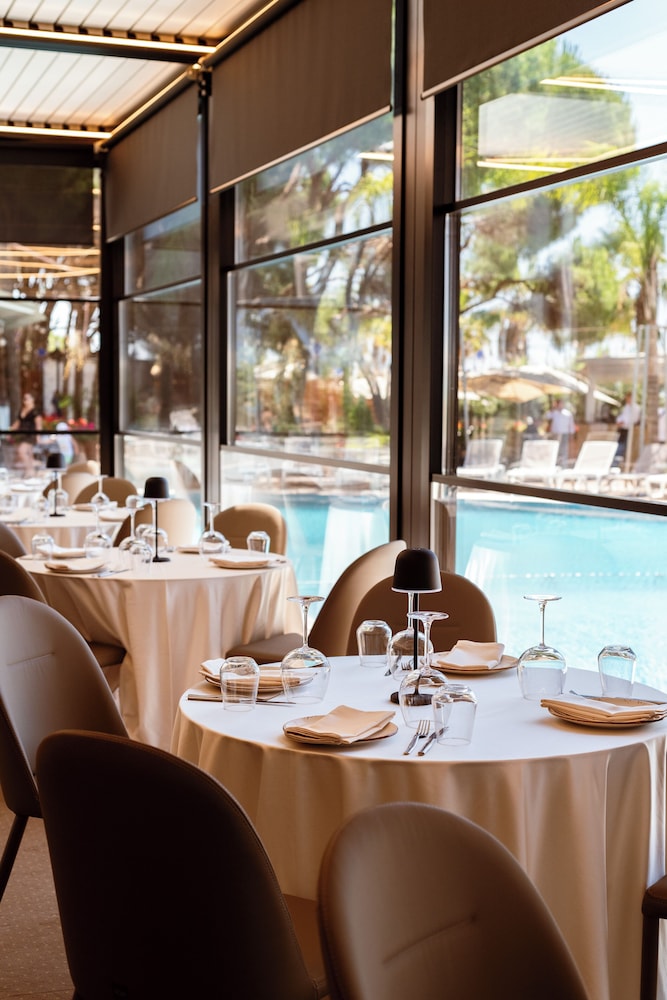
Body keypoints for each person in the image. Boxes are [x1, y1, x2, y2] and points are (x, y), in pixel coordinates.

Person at [9, 392, 42, 474]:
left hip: (30, 435)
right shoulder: (22, 410)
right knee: (29, 454)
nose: (25, 400)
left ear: (32, 399)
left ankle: (29, 470)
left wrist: (38, 436)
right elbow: (18, 422)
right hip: (22, 434)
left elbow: (38, 424)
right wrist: (10, 430)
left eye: (27, 398)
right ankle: (31, 472)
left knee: (22, 451)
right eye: (24, 399)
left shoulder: (35, 411)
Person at [545, 399, 575, 465]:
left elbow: (571, 424)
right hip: (555, 433)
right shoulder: (554, 413)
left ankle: (563, 463)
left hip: (564, 433)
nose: (559, 405)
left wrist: (571, 434)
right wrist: (553, 408)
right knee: (555, 448)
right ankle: (555, 462)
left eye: (560, 404)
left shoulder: (567, 413)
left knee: (564, 448)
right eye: (558, 404)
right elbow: (547, 416)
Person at [616, 391, 641, 459]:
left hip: (630, 430)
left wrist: (623, 422)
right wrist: (619, 422)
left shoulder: (636, 408)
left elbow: (634, 419)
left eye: (628, 398)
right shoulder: (626, 407)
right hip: (623, 429)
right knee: (620, 445)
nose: (626, 399)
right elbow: (622, 416)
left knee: (625, 446)